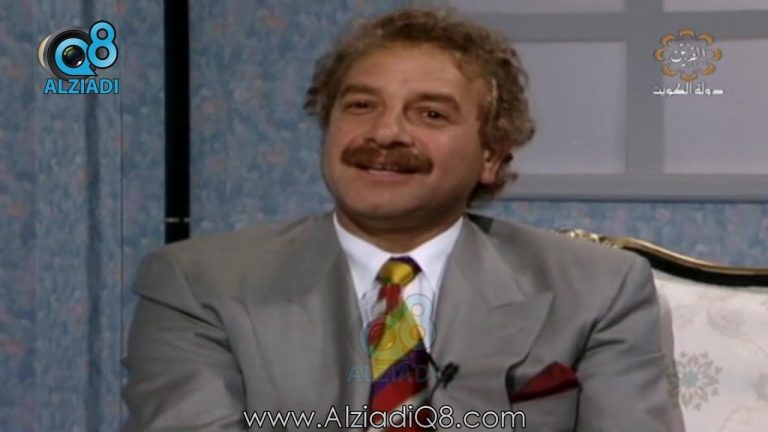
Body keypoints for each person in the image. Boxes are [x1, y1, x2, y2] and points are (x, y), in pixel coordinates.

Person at [123, 7, 675, 431]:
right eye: (360, 106)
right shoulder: (200, 283)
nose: (385, 133)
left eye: (430, 114)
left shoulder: (597, 289)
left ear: (492, 155)